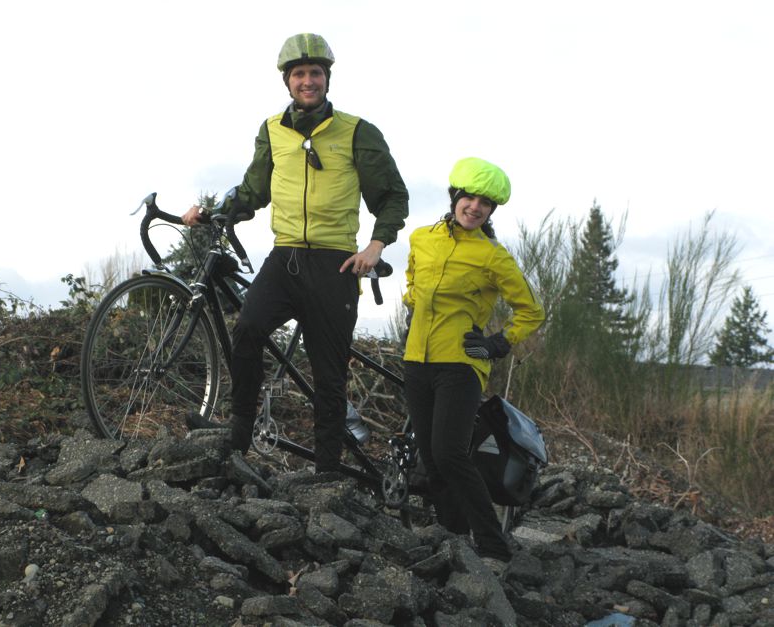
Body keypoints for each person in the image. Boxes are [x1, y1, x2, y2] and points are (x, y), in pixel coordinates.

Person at [182, 33, 409, 472]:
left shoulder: (358, 132)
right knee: (247, 329)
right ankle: (239, 434)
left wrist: (376, 244)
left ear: (327, 79)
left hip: (335, 263)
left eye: (316, 73)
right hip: (284, 257)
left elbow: (393, 196)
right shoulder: (271, 130)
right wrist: (212, 211)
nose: (309, 81)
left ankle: (326, 471)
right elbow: (254, 190)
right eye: (300, 74)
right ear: (288, 82)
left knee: (328, 373)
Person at [401, 157, 544, 560]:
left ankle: (493, 545)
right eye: (470, 197)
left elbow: (532, 311)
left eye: (486, 203)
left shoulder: (492, 256)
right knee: (430, 460)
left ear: (491, 211)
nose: (476, 207)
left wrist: (500, 343)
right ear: (455, 197)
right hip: (417, 360)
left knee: (449, 452)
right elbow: (412, 280)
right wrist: (411, 300)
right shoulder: (421, 238)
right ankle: (453, 536)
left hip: (461, 365)